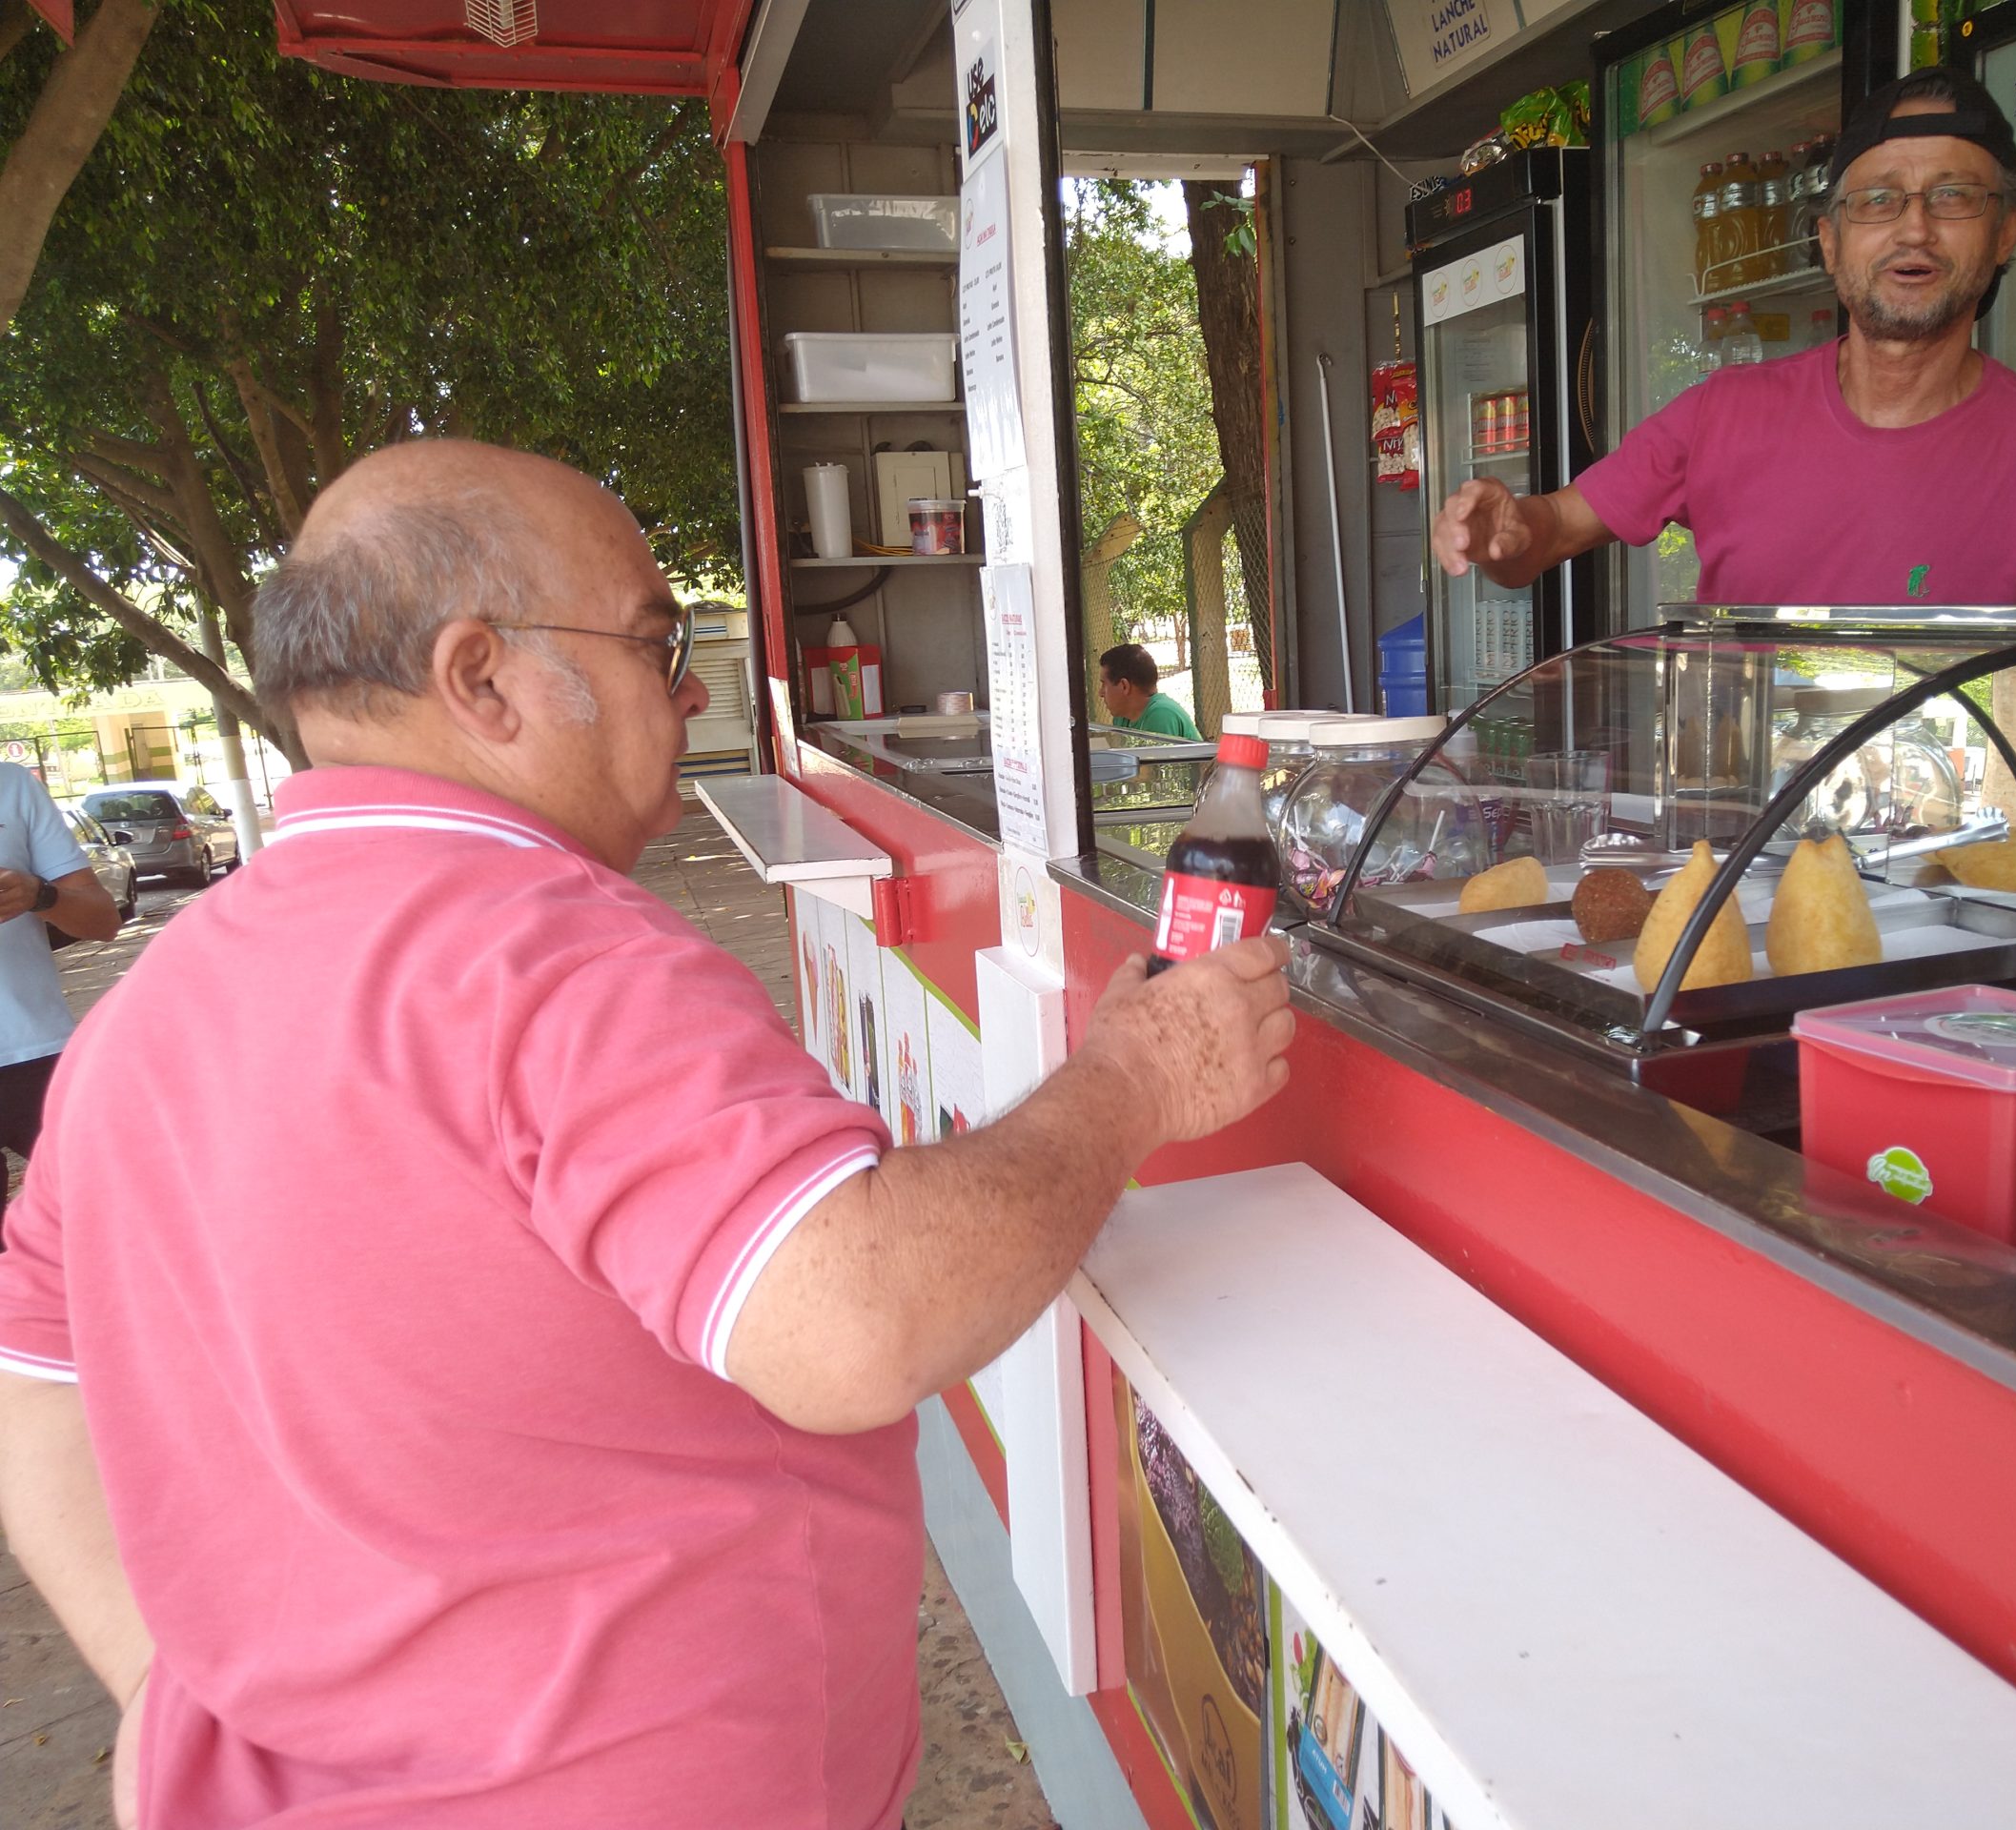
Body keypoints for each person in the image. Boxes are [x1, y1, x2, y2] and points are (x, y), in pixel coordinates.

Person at [0, 440, 1294, 1829]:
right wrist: (1134, 1080)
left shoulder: (154, 1005)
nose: (685, 689)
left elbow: (36, 1381)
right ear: (480, 677)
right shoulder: (543, 956)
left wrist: (159, 1695)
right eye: (651, 638)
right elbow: (860, 1317)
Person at [1431, 68, 2016, 608]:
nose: (1914, 228)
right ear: (1830, 241)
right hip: (1744, 804)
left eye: (1954, 196)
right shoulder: (1723, 413)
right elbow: (1550, 530)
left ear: (2006, 230)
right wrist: (1506, 530)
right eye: (1877, 200)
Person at [0, 759, 123, 1216]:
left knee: (111, 1214)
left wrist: (39, 895)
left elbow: (103, 920)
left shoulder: (11, 785)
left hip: (32, 1052)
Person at [1097, 641, 1201, 737]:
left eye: (1104, 684)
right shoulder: (1123, 717)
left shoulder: (1161, 715)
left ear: (1124, 686)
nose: (1100, 693)